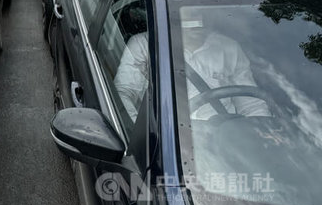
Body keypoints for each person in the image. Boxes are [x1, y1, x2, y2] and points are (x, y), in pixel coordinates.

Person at [115, 7, 269, 122]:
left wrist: (262, 132)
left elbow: (251, 103)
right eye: (192, 14)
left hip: (225, 139)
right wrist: (142, 138)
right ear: (174, 14)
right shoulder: (145, 46)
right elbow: (124, 94)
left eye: (202, 13)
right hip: (170, 138)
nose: (198, 20)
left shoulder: (229, 48)